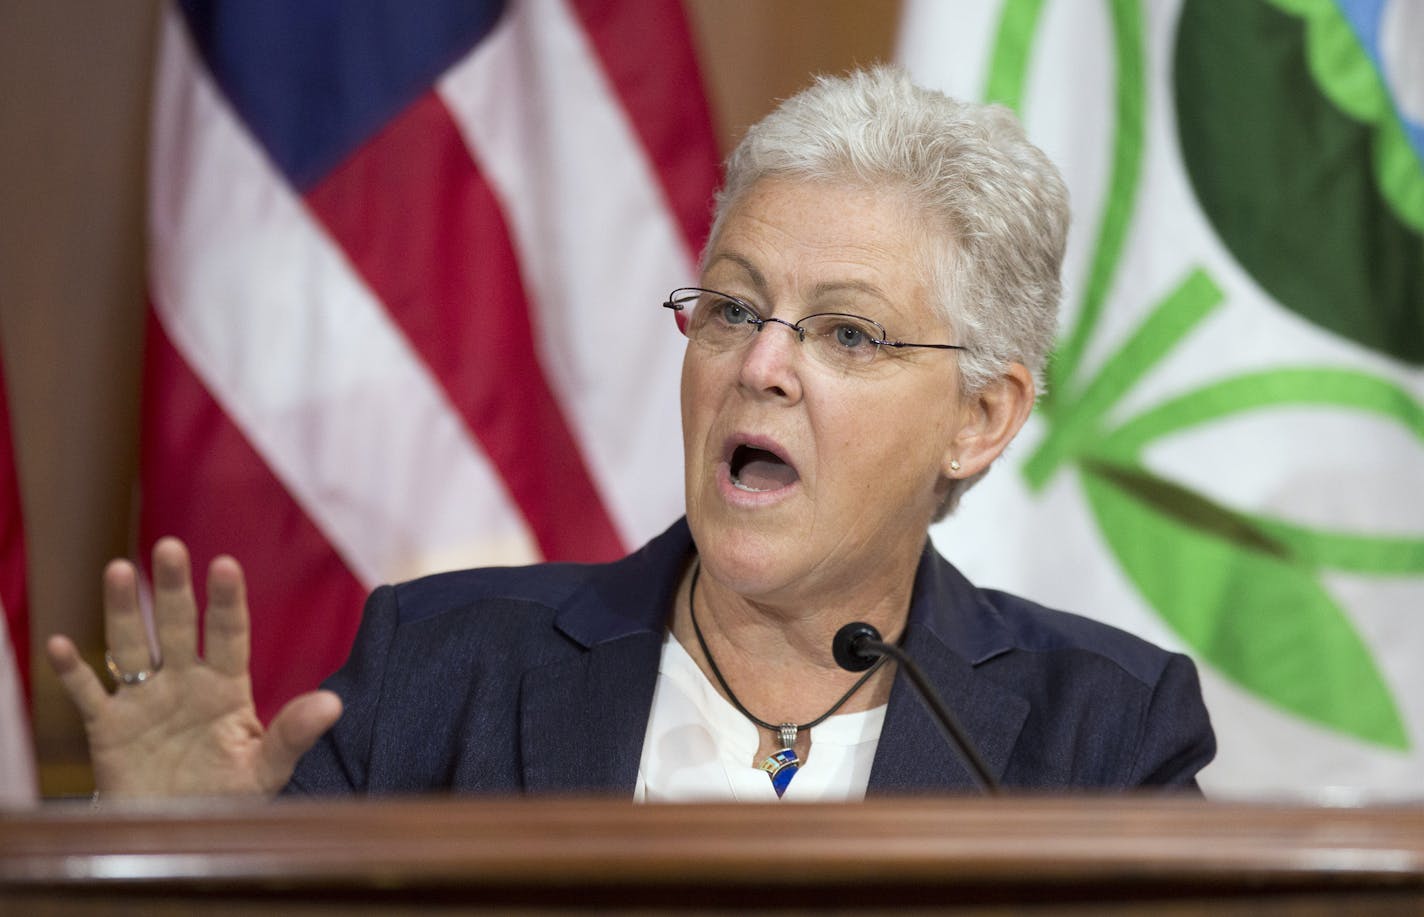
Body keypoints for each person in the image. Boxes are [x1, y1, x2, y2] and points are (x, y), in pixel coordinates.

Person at [48, 68, 1215, 801]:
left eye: (845, 334)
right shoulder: (441, 670)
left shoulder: (1100, 731)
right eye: (732, 308)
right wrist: (177, 862)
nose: (760, 364)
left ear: (978, 416)